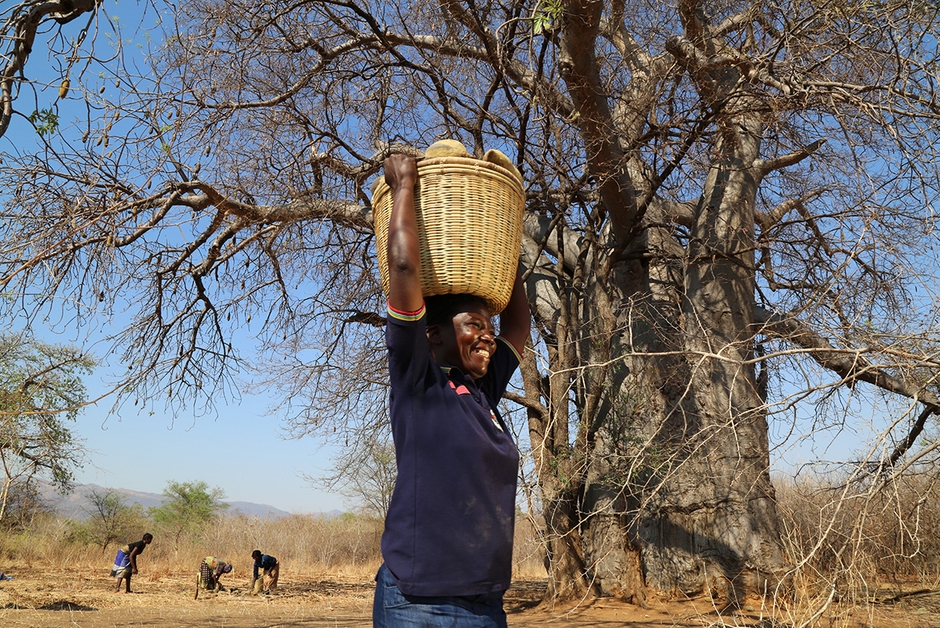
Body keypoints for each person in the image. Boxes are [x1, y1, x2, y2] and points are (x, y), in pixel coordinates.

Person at [373, 154, 530, 627]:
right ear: (432, 334)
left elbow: (520, 322)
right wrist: (404, 186)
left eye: (488, 326)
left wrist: (508, 243)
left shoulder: (482, 394)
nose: (488, 335)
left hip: (485, 602)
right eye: (473, 325)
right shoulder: (420, 383)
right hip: (418, 603)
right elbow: (403, 268)